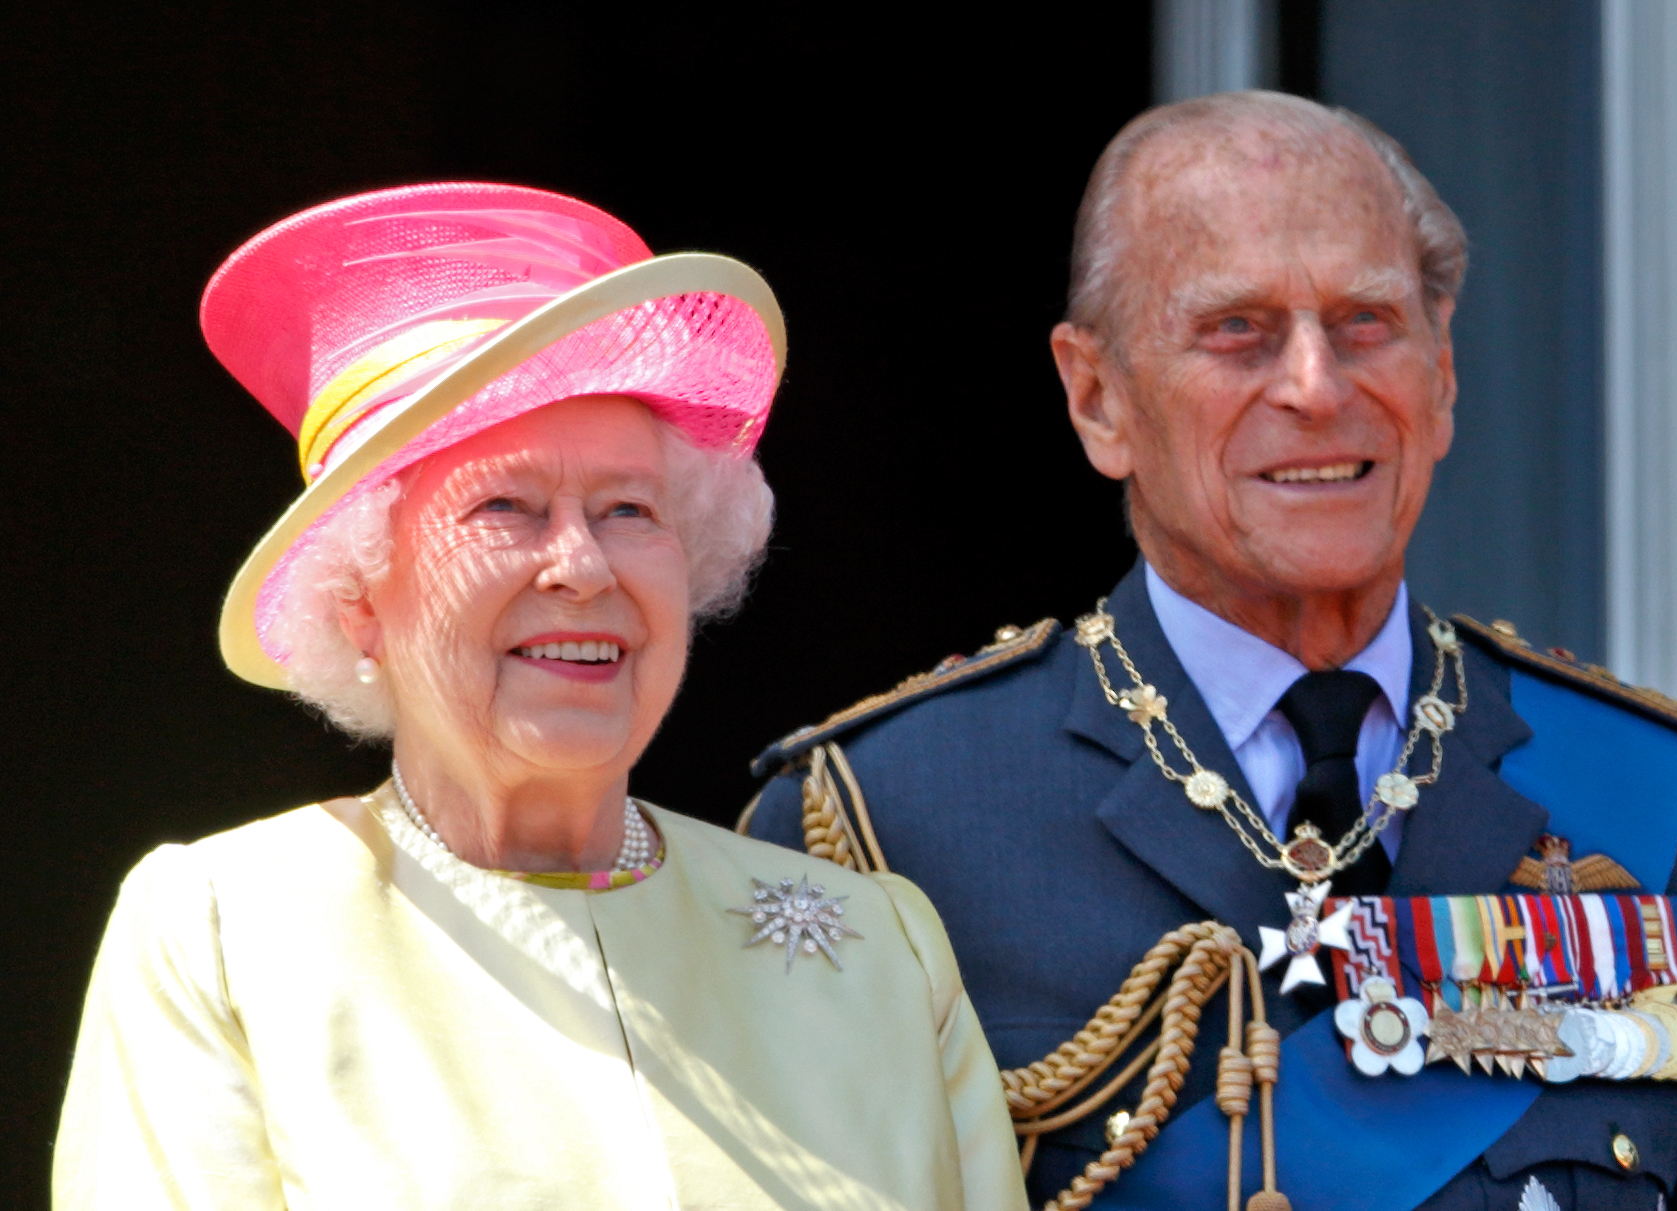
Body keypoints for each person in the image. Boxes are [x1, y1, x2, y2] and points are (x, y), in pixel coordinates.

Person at [745, 93, 1677, 1211]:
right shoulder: (885, 818)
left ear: (1442, 375)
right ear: (1098, 398)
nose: (1316, 386)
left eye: (1367, 323)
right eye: (1236, 329)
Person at [55, 182, 1027, 1211]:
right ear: (358, 599)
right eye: (506, 506)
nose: (582, 564)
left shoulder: (881, 949)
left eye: (628, 509)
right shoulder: (226, 929)